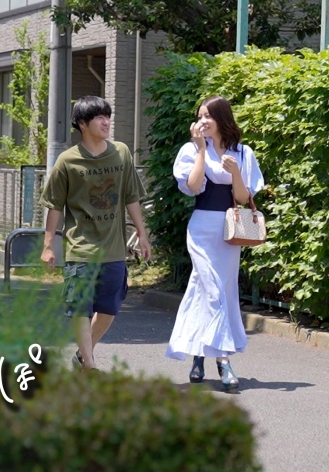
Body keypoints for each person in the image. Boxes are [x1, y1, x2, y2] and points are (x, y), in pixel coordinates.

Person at [40, 95, 151, 372]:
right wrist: (48, 245)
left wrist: (142, 233)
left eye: (107, 116)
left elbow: (131, 197)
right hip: (80, 248)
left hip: (113, 249)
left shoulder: (121, 153)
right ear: (82, 124)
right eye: (99, 117)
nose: (106, 122)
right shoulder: (67, 161)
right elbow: (55, 205)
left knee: (109, 308)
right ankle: (89, 366)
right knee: (80, 308)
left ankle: (81, 356)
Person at [166, 95, 264, 391]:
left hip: (230, 229)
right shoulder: (191, 149)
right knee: (212, 290)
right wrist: (200, 150)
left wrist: (235, 172)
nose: (203, 121)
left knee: (215, 289)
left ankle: (198, 355)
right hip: (201, 228)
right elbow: (194, 186)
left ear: (222, 118)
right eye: (199, 116)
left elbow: (244, 198)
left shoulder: (242, 152)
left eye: (208, 115)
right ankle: (223, 360)